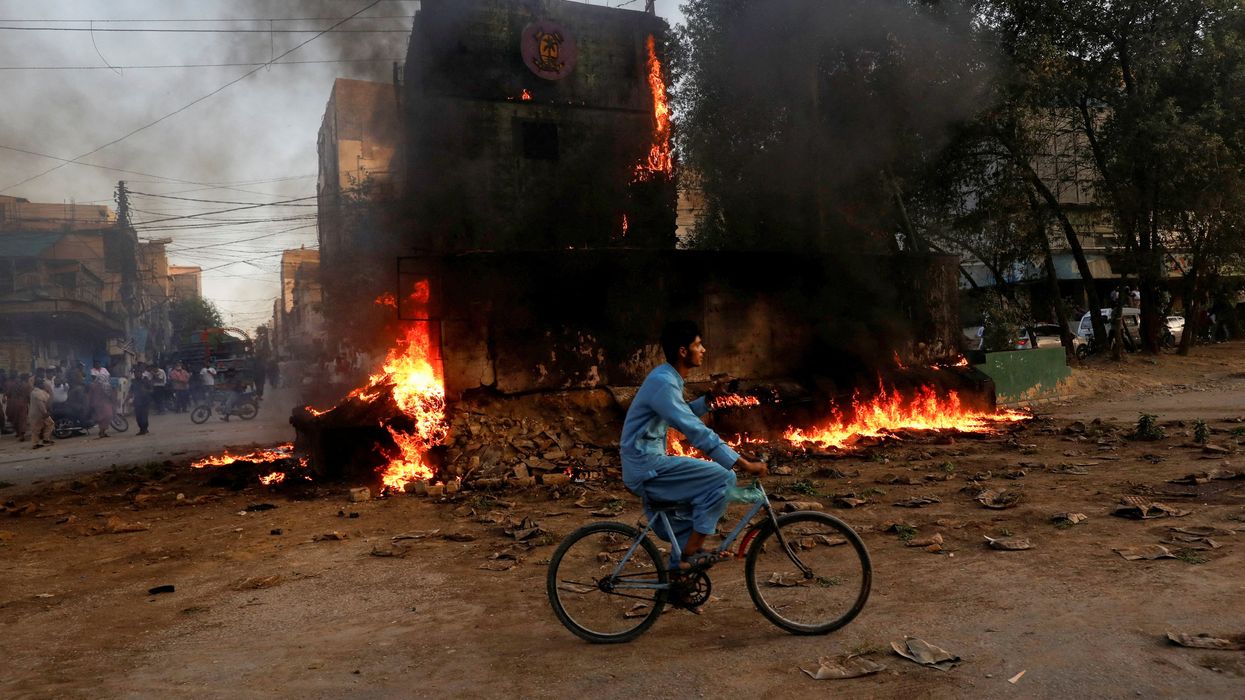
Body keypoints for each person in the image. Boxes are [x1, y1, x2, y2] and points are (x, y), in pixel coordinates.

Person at [620, 320, 768, 571]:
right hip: (646, 465)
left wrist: (709, 399)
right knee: (723, 478)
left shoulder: (667, 378)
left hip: (648, 462)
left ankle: (680, 581)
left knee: (699, 500)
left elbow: (681, 414)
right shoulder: (664, 383)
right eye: (698, 345)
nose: (704, 350)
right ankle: (688, 556)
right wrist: (741, 464)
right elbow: (694, 430)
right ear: (682, 351)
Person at [6, 372, 31, 441]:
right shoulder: (27, 385)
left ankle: (17, 432)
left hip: (13, 403)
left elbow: (8, 394)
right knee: (22, 420)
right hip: (22, 403)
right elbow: (28, 396)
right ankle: (22, 435)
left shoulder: (14, 384)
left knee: (15, 418)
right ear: (26, 378)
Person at [28, 379, 54, 448]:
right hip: (39, 414)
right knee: (37, 429)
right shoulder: (37, 393)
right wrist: (45, 413)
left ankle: (45, 439)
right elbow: (41, 405)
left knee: (49, 424)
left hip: (37, 413)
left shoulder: (35, 392)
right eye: (42, 384)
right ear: (39, 384)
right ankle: (35, 444)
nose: (43, 385)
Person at [131, 365, 152, 436]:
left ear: (141, 373)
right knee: (138, 417)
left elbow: (151, 390)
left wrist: (146, 391)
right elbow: (130, 392)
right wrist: (125, 401)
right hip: (137, 402)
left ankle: (144, 429)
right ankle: (142, 428)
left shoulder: (145, 381)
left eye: (138, 372)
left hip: (145, 401)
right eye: (135, 373)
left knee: (144, 416)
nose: (136, 374)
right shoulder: (133, 382)